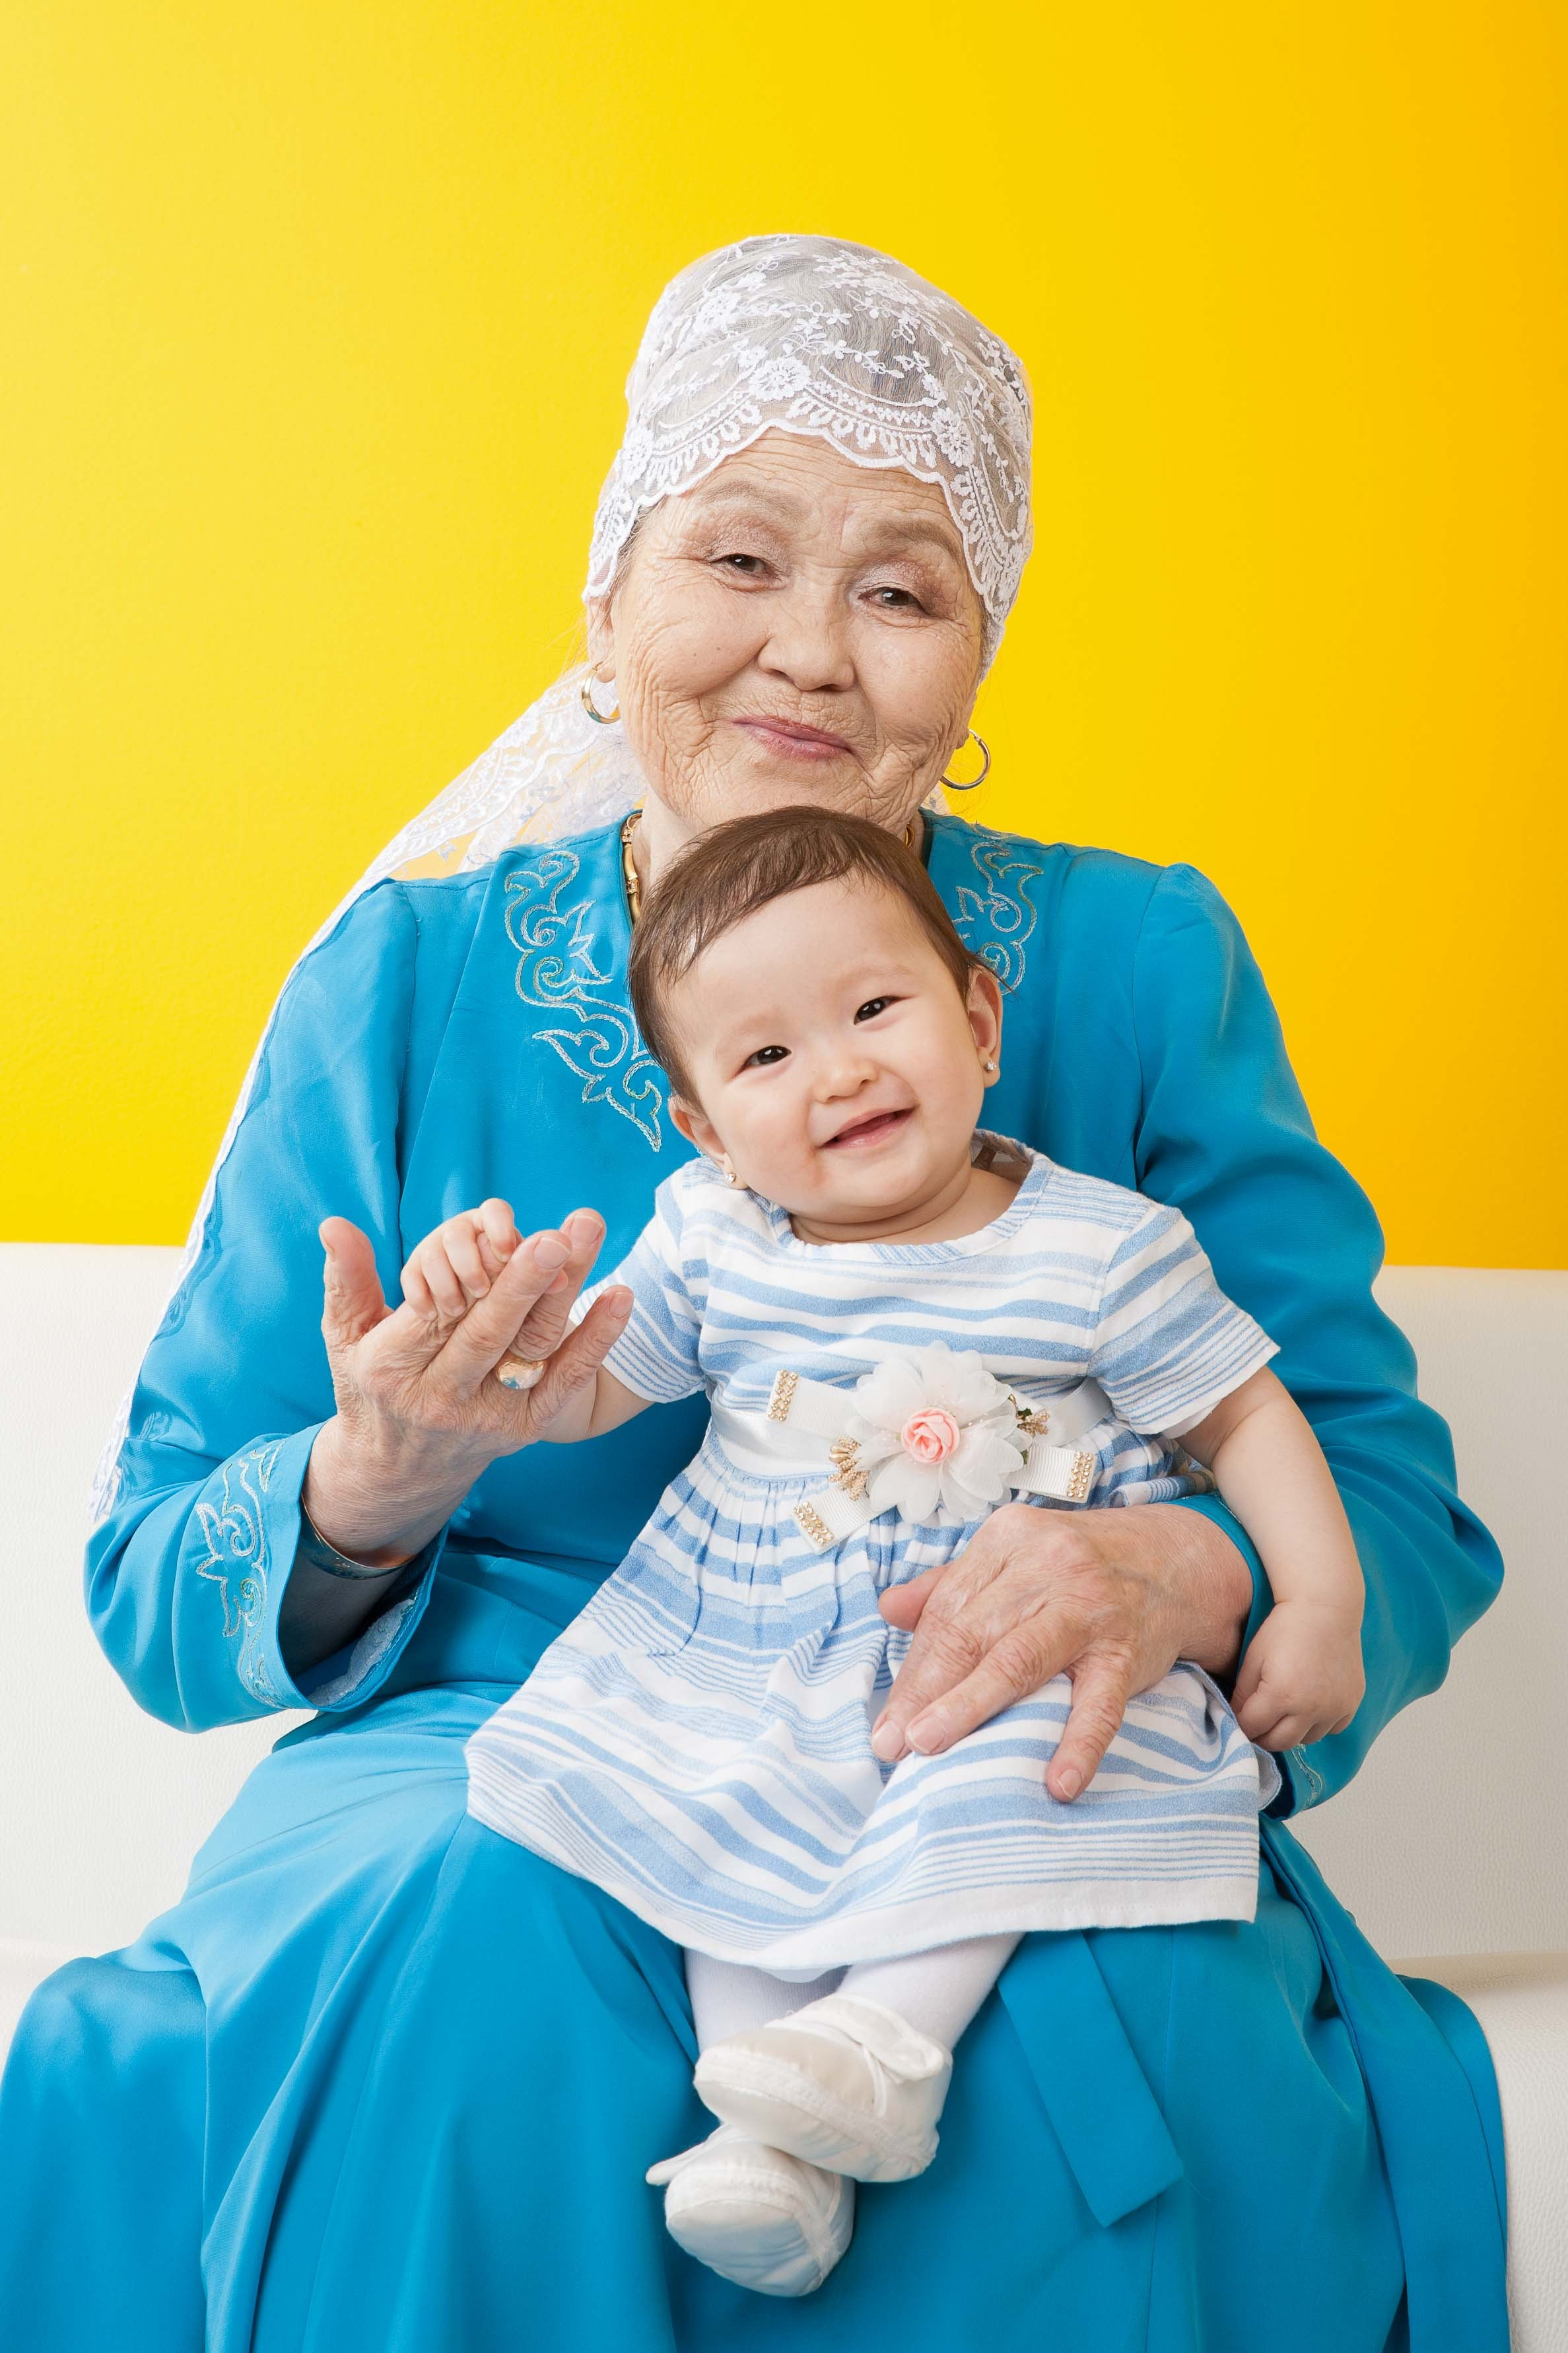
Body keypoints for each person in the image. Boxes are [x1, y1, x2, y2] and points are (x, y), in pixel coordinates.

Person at [0, 234, 1507, 2352]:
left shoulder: (1138, 964)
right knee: (477, 1923)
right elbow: (159, 1583)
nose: (811, 650)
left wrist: (1178, 1569)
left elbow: (1382, 1496)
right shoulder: (409, 987)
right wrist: (373, 1477)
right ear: (607, 610)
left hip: (989, 1747)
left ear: (973, 672)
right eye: (739, 558)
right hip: (497, 1740)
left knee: (1110, 1997)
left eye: (901, 588)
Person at [454, 802, 1366, 2295]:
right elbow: (604, 1381)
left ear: (979, 1018)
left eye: (876, 1007)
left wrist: (1319, 1598)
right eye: (764, 1057)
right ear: (703, 1127)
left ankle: (891, 2041)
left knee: (1018, 1789)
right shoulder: (712, 1236)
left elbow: (1249, 1415)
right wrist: (518, 1361)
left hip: (1001, 1639)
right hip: (753, 1637)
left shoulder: (1101, 1248)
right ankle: (764, 2129)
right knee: (712, 1822)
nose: (843, 1069)